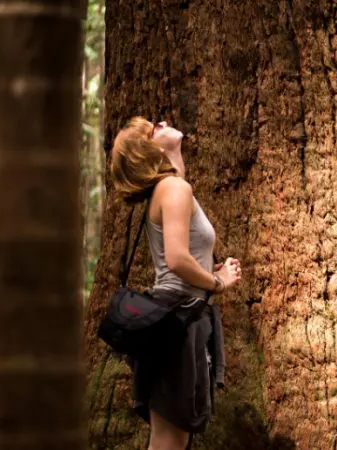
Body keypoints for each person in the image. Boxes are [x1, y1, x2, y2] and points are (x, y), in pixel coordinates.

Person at [110, 117, 242, 450]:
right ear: (147, 151)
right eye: (153, 128)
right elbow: (177, 260)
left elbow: (182, 259)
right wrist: (217, 282)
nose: (164, 121)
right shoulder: (174, 189)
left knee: (168, 439)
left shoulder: (171, 188)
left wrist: (209, 269)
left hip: (172, 320)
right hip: (176, 322)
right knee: (169, 441)